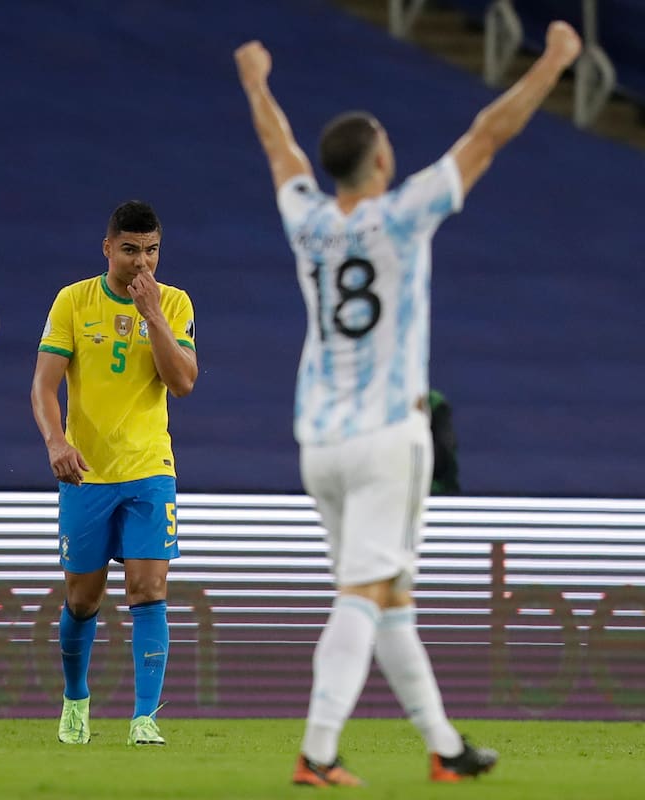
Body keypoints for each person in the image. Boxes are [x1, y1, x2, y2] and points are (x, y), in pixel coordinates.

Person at [233, 21, 582, 786]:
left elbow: (279, 151)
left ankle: (443, 746)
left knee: (390, 596)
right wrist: (554, 61)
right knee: (363, 594)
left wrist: (257, 82)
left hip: (318, 441)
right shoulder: (403, 213)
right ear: (383, 160)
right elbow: (488, 135)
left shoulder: (311, 221)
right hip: (388, 435)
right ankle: (317, 752)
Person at [31, 200, 198, 746]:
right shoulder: (74, 301)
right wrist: (56, 441)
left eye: (151, 251)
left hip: (151, 468)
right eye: (130, 250)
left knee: (149, 589)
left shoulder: (173, 303)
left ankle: (144, 718)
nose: (141, 263)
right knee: (83, 599)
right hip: (88, 473)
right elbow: (43, 385)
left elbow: (183, 383)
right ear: (107, 248)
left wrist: (152, 316)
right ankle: (76, 700)